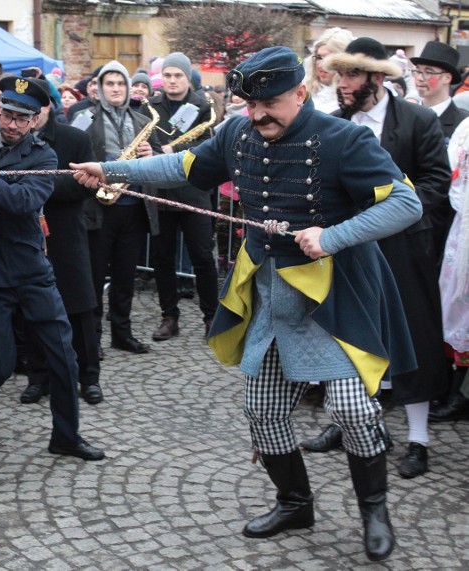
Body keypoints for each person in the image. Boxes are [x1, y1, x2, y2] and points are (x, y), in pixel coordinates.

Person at [71, 46, 422, 562]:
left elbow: (405, 202)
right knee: (261, 408)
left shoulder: (346, 139)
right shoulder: (237, 132)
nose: (258, 115)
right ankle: (294, 502)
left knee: (349, 408)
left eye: (270, 104)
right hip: (268, 289)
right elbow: (185, 164)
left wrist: (334, 236)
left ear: (301, 93)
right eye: (249, 104)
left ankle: (375, 511)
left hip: (333, 293)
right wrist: (110, 169)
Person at [302, 38, 452, 480]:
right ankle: (350, 423)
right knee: (350, 335)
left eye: (351, 75)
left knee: (414, 339)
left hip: (406, 248)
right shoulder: (332, 122)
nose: (341, 83)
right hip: (348, 248)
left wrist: (388, 215)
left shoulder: (418, 120)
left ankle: (419, 440)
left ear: (378, 77)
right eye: (339, 74)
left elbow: (435, 183)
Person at [0, 76, 105, 462]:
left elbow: (22, 201)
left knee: (63, 357)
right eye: (7, 114)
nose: (12, 124)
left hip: (32, 269)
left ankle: (66, 437)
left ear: (35, 120)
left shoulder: (43, 156)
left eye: (22, 118)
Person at [19, 78, 102, 406]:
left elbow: (87, 186)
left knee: (79, 307)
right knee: (32, 309)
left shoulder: (74, 139)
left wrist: (38, 187)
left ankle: (89, 377)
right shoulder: (14, 141)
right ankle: (38, 377)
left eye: (34, 109)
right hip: (26, 237)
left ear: (48, 107)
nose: (28, 116)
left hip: (66, 235)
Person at [74, 60, 161, 355]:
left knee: (125, 276)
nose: (116, 89)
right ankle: (93, 338)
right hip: (98, 209)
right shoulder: (84, 117)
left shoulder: (140, 121)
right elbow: (73, 155)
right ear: (99, 88)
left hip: (133, 208)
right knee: (95, 277)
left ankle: (122, 334)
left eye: (121, 83)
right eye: (109, 83)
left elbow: (157, 162)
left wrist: (152, 153)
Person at [144, 52, 218, 342]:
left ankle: (211, 317)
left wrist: (169, 150)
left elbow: (206, 144)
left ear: (188, 78)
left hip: (194, 191)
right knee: (162, 258)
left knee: (202, 256)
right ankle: (169, 316)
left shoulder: (201, 106)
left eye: (178, 76)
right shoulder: (152, 104)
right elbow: (146, 138)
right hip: (160, 191)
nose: (172, 81)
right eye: (168, 75)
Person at [432, 116, 469, 421]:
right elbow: (452, 177)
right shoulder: (466, 127)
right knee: (456, 304)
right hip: (463, 225)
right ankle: (455, 391)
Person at [303, 27, 354, 113]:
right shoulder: (303, 92)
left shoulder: (353, 99)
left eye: (328, 58)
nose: (321, 64)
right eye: (319, 57)